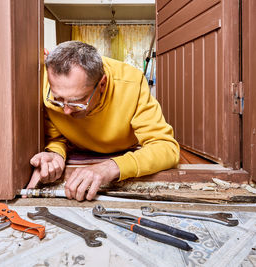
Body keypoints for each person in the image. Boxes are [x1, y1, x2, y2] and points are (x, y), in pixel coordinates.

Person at [26, 41, 179, 201]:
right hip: (76, 148)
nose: (65, 110)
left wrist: (111, 167)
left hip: (123, 149)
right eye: (58, 99)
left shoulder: (132, 83)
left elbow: (166, 148)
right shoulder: (43, 80)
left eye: (77, 101)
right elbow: (57, 138)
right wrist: (55, 154)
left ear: (102, 84)